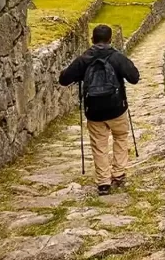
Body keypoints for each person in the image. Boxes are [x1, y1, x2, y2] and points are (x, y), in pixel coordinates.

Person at [58, 25, 140, 195]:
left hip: (94, 111)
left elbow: (64, 79)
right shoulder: (117, 57)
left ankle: (103, 182)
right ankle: (118, 173)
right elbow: (134, 77)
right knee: (120, 137)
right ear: (110, 40)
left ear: (92, 40)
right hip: (117, 108)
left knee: (99, 144)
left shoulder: (84, 59)